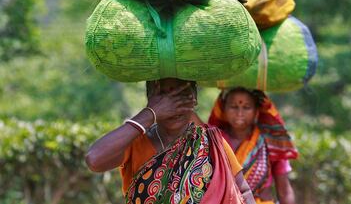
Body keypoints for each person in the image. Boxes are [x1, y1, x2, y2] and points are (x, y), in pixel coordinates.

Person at [85, 78, 255, 204]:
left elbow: (243, 191)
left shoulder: (211, 143)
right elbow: (94, 159)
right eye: (163, 97)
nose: (172, 105)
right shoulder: (136, 143)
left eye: (181, 94)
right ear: (150, 101)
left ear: (194, 98)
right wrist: (150, 114)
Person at [195, 87, 298, 204]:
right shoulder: (214, 138)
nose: (239, 113)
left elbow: (284, 191)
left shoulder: (270, 141)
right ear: (223, 108)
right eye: (234, 107)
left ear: (256, 111)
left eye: (246, 107)